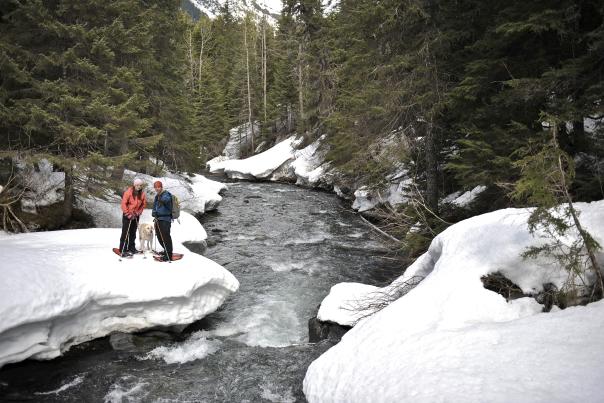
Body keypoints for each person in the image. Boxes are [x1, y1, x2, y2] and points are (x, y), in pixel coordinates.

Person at [119, 178, 146, 256]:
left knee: (133, 232)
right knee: (125, 232)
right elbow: (123, 204)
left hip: (136, 215)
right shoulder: (128, 192)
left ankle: (132, 248)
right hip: (127, 215)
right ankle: (123, 249)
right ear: (134, 185)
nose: (139, 187)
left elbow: (143, 205)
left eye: (140, 185)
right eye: (137, 185)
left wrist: (138, 212)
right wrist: (128, 214)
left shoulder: (142, 194)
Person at [151, 180, 173, 261]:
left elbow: (167, 200)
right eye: (156, 187)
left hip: (165, 219)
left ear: (161, 187)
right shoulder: (157, 196)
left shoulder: (166, 194)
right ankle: (166, 250)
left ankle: (169, 255)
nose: (157, 188)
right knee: (160, 237)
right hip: (158, 219)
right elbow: (154, 206)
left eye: (159, 187)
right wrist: (153, 212)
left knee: (166, 237)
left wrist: (161, 198)